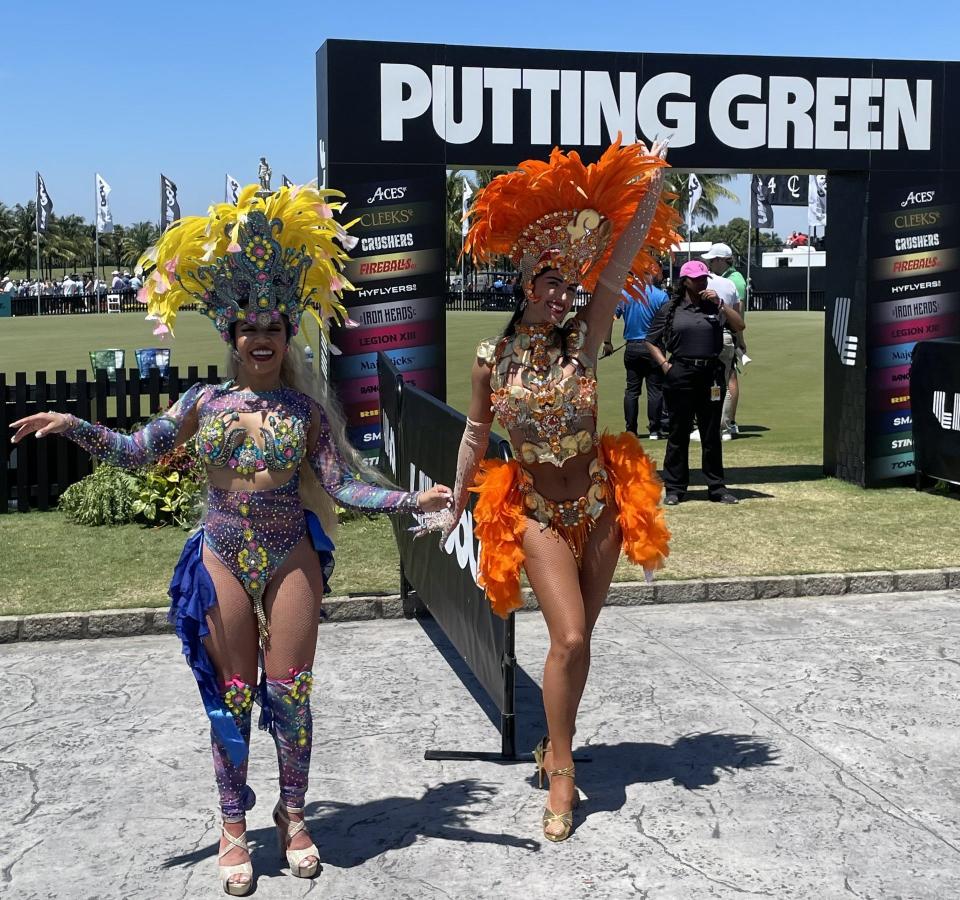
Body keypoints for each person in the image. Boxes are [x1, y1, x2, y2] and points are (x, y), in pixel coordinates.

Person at [10, 182, 452, 896]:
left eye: (273, 327)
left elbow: (341, 486)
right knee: (234, 694)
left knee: (293, 695)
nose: (262, 338)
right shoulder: (202, 403)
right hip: (221, 552)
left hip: (290, 558)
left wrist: (411, 497)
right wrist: (74, 427)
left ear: (286, 334)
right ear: (230, 334)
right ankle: (233, 826)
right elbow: (139, 450)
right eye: (249, 328)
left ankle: (295, 814)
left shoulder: (305, 412)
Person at [452, 140, 675, 842]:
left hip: (603, 507)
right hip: (540, 512)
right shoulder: (492, 358)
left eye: (566, 285)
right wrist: (455, 503)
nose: (561, 293)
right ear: (525, 281)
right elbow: (472, 435)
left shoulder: (586, 339)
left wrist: (651, 186)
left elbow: (617, 266)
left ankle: (557, 740)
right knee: (568, 633)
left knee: (580, 645)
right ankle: (563, 770)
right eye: (549, 282)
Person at [644, 259, 745, 505]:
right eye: (697, 279)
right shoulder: (671, 308)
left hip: (710, 374)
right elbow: (650, 340)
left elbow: (740, 325)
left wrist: (720, 304)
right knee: (679, 432)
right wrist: (665, 365)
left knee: (711, 433)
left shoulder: (713, 306)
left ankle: (716, 487)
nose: (702, 282)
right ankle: (675, 488)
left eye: (704, 278)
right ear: (685, 281)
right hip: (681, 372)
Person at [603, 266, 670, 438]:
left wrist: (607, 342)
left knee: (632, 390)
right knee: (655, 390)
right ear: (649, 274)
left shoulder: (626, 294)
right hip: (654, 347)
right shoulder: (661, 295)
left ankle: (631, 430)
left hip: (632, 347)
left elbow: (610, 316)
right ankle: (655, 429)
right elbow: (667, 324)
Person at [701, 243, 746, 440]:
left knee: (716, 380)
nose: (709, 263)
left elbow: (739, 312)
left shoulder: (726, 280)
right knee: (726, 380)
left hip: (711, 334)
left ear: (720, 260)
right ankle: (725, 426)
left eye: (712, 260)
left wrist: (740, 339)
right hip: (727, 334)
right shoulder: (730, 282)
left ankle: (714, 425)